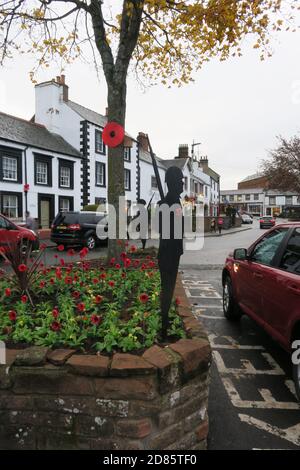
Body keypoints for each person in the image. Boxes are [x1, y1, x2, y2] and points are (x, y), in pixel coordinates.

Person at [158, 166, 184, 340]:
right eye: (180, 181)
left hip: (173, 253)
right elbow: (165, 232)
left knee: (169, 288)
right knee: (167, 290)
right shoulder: (167, 204)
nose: (182, 184)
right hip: (168, 254)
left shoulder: (175, 202)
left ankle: (164, 324)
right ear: (172, 183)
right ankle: (164, 328)